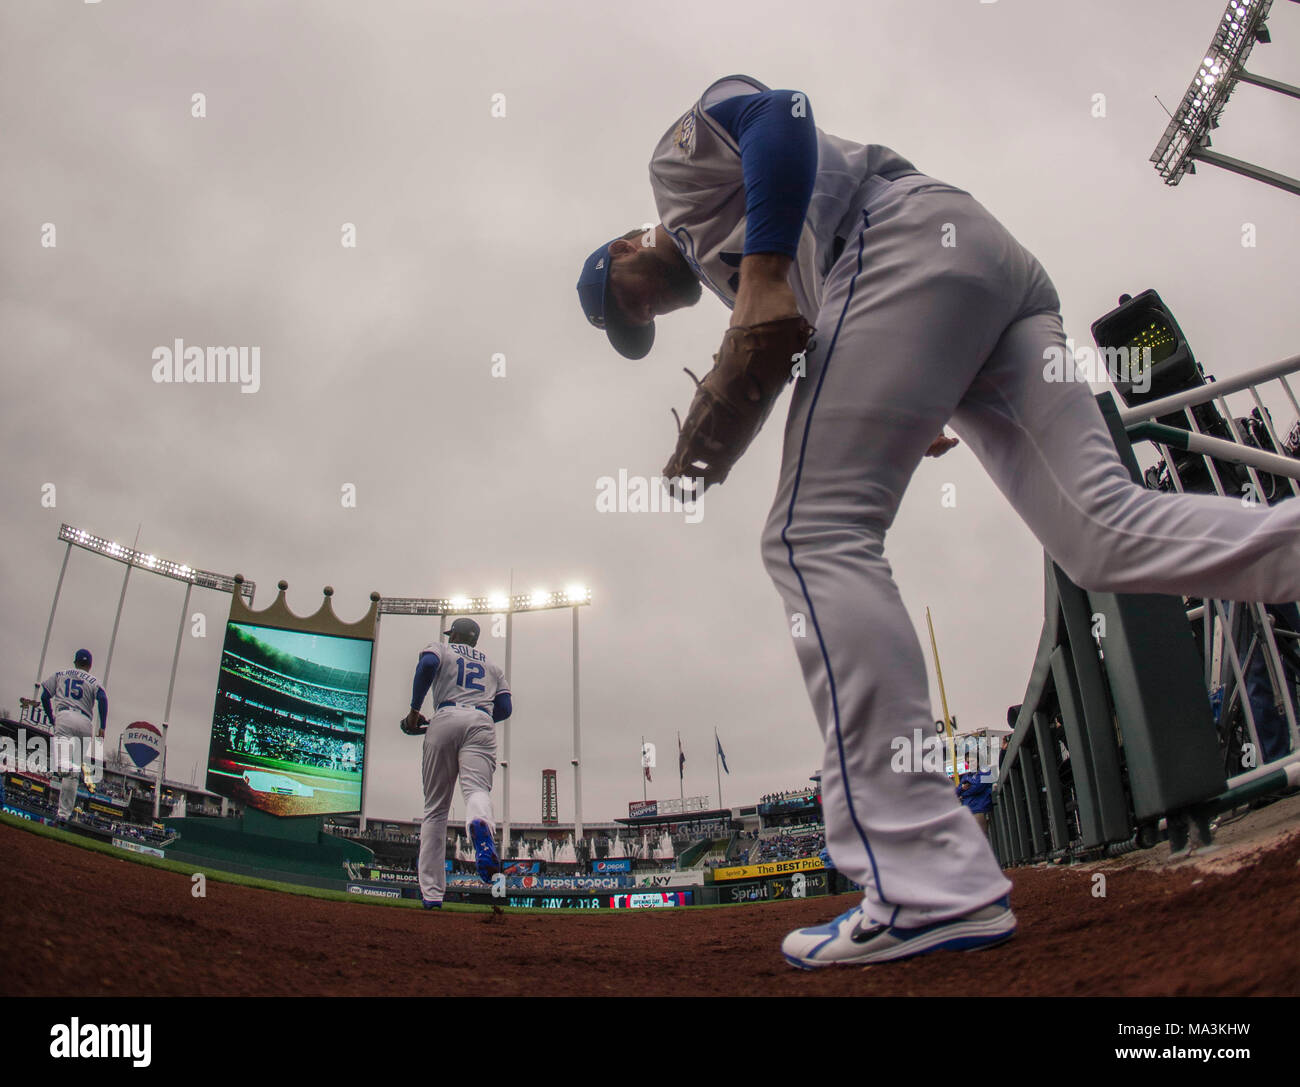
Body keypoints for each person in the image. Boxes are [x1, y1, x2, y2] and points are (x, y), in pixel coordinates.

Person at [576, 74, 1300, 968]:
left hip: (896, 233)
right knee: (1104, 532)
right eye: (632, 324)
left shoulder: (674, 183)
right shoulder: (736, 275)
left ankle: (928, 882)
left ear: (620, 249)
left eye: (626, 300)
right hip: (982, 272)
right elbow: (797, 338)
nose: (642, 313)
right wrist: (906, 401)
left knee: (810, 537)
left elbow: (782, 112)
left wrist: (770, 275)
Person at [404, 618, 512, 910]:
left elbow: (426, 666)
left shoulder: (440, 648)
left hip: (445, 715)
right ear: (474, 640)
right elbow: (505, 708)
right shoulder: (492, 666)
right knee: (477, 790)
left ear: (454, 636)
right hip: (481, 721)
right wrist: (481, 718)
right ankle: (480, 824)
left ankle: (432, 895)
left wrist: (415, 711)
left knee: (436, 809)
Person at [40, 649, 107, 824]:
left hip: (65, 716)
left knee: (63, 767)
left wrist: (51, 718)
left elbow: (44, 695)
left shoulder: (60, 674)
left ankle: (61, 772)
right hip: (85, 722)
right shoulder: (94, 681)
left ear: (75, 662)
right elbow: (103, 699)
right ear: (90, 665)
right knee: (73, 774)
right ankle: (63, 815)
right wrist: (103, 726)